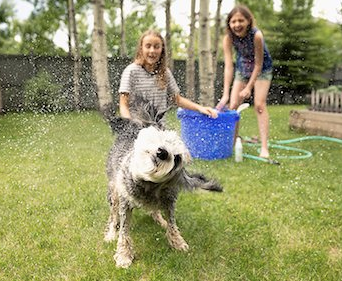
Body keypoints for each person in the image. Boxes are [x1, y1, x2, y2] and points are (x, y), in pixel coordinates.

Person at [118, 29, 218, 123]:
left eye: (156, 46)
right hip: (137, 131)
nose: (152, 50)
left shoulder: (164, 72)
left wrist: (200, 108)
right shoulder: (131, 71)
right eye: (148, 46)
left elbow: (177, 100)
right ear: (141, 49)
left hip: (159, 130)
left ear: (162, 50)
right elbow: (123, 105)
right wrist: (130, 126)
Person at [216, 5, 273, 159]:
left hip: (262, 70)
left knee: (260, 105)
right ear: (229, 24)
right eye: (233, 21)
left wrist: (249, 87)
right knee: (233, 106)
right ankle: (232, 144)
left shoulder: (257, 36)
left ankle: (264, 148)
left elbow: (259, 64)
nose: (237, 24)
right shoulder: (228, 38)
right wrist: (225, 95)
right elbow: (228, 67)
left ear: (249, 21)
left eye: (241, 20)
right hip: (242, 70)